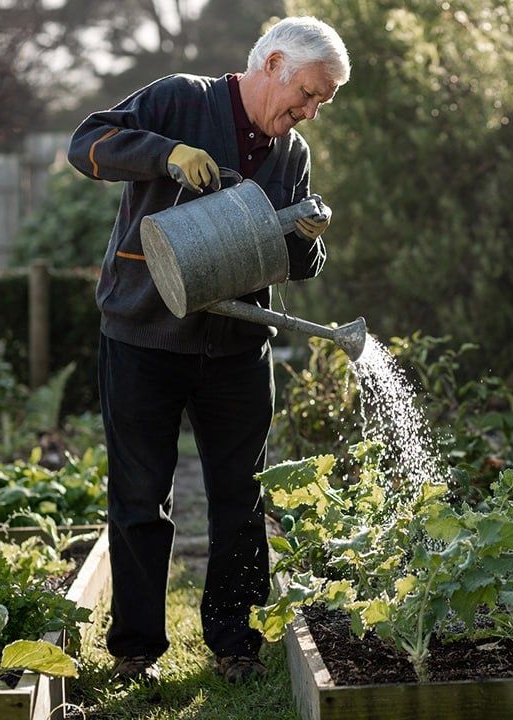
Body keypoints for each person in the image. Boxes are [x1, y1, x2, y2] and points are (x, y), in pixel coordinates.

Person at [67, 16, 350, 684]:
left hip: (236, 345)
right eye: (307, 94)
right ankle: (137, 651)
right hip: (142, 333)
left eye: (320, 105)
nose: (309, 112)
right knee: (139, 497)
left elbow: (299, 264)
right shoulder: (180, 100)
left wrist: (308, 234)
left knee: (242, 497)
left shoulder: (292, 155)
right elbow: (87, 144)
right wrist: (165, 155)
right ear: (274, 62)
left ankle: (235, 644)